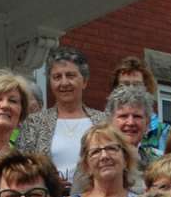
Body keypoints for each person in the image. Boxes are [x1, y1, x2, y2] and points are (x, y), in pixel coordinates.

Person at [16, 47, 108, 184]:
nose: (64, 83)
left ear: (85, 82)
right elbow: (21, 167)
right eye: (57, 77)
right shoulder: (34, 123)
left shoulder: (103, 121)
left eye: (70, 75)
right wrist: (49, 181)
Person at [109, 56, 169, 156]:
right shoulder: (103, 128)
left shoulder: (164, 132)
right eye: (125, 85)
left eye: (137, 85)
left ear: (147, 88)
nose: (131, 89)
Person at [106, 84, 160, 169]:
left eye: (137, 116)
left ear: (147, 123)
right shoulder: (98, 160)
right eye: (123, 116)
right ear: (110, 121)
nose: (131, 123)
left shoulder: (157, 165)